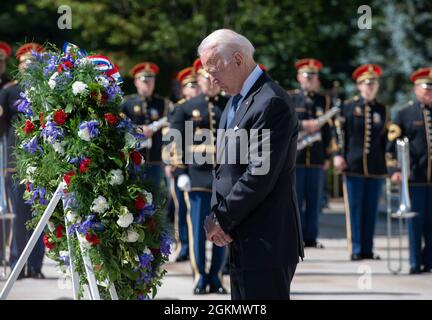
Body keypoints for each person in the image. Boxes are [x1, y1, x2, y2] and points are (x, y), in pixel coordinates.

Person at [200, 29, 304, 300]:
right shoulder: (237, 101)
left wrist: (221, 217)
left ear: (237, 59)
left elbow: (259, 174)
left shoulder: (271, 101)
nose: (210, 80)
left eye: (214, 69)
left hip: (265, 241)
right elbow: (224, 168)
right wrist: (218, 216)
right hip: (241, 236)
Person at [333, 64, 388, 261]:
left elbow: (385, 140)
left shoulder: (382, 109)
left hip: (375, 168)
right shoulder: (348, 107)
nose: (370, 86)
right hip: (353, 165)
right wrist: (338, 155)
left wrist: (389, 163)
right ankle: (356, 248)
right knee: (355, 210)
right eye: (367, 83)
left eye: (373, 83)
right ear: (359, 85)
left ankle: (368, 249)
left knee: (370, 210)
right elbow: (339, 133)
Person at [0, 43, 46, 279]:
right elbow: (2, 127)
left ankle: (36, 265)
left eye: (34, 63)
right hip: (15, 161)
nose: (30, 67)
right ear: (19, 67)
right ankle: (18, 262)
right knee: (19, 215)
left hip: (42, 163)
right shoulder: (9, 92)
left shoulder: (48, 91)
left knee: (40, 216)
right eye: (26, 63)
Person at [386, 67, 432, 274]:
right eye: (426, 88)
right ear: (416, 89)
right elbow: (392, 145)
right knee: (415, 223)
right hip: (414, 178)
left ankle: (429, 260)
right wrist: (396, 169)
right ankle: (415, 262)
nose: (429, 92)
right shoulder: (404, 113)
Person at [289, 58, 333, 249]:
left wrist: (328, 155)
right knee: (295, 200)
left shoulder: (323, 100)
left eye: (313, 77)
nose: (310, 80)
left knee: (315, 201)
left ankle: (311, 237)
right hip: (296, 158)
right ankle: (295, 237)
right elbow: (285, 123)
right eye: (307, 76)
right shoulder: (290, 98)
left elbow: (329, 131)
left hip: (316, 158)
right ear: (299, 78)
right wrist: (304, 125)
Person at [163, 66, 201, 262]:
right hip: (181, 165)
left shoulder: (206, 106)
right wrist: (170, 163)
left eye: (197, 85)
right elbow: (171, 137)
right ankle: (184, 245)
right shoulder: (179, 108)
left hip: (202, 165)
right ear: (184, 89)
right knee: (182, 209)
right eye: (190, 86)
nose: (195, 89)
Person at [120, 62, 169, 187]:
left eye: (151, 80)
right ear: (136, 82)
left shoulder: (163, 103)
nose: (148, 84)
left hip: (155, 159)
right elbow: (120, 126)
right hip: (133, 158)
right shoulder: (127, 103)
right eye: (144, 80)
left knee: (155, 197)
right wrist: (138, 129)